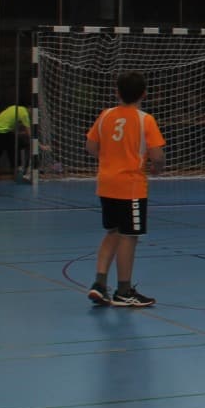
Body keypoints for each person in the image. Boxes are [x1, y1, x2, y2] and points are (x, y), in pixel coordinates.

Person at [82, 72, 163, 306]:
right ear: (144, 94)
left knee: (113, 232)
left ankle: (99, 283)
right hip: (131, 187)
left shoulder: (105, 115)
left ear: (117, 92)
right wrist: (157, 167)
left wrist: (110, 158)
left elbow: (90, 146)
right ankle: (124, 290)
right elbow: (157, 155)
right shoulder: (145, 120)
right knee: (129, 236)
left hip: (106, 183)